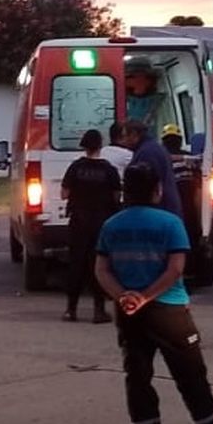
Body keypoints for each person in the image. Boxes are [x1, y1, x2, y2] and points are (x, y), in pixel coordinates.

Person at [94, 164, 213, 424]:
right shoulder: (170, 223)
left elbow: (101, 269)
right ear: (157, 190)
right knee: (191, 375)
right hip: (168, 310)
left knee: (138, 376)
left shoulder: (111, 225)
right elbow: (175, 268)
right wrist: (147, 296)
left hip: (128, 312)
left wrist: (124, 296)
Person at [61, 129, 121, 323]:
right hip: (101, 223)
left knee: (75, 264)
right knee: (98, 265)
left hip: (78, 222)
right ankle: (99, 310)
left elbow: (64, 194)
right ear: (100, 146)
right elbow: (116, 196)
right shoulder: (109, 170)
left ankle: (71, 310)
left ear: (84, 146)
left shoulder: (75, 168)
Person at [126, 119, 181, 218]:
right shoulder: (154, 148)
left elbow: (144, 187)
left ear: (134, 134)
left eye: (126, 136)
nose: (125, 141)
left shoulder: (146, 154)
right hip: (168, 210)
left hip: (158, 212)